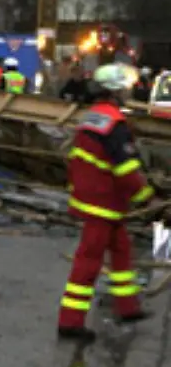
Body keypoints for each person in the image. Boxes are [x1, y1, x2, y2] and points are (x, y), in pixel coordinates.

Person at [58, 63, 161, 342]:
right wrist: (148, 200)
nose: (128, 91)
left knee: (121, 250)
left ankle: (127, 307)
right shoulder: (114, 124)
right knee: (88, 260)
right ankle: (70, 322)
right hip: (102, 202)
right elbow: (126, 169)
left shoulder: (95, 116)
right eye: (125, 87)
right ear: (116, 91)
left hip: (99, 198)